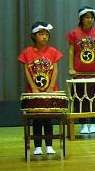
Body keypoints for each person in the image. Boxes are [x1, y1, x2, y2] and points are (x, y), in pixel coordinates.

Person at [18, 22, 63, 155]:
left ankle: (49, 144)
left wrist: (50, 87)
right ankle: (37, 146)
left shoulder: (53, 51)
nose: (44, 37)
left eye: (46, 34)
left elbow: (55, 70)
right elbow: (26, 70)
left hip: (49, 91)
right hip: (34, 91)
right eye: (41, 34)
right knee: (36, 118)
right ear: (34, 36)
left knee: (48, 117)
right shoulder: (27, 52)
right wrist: (33, 88)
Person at [65, 6, 95, 135]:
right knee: (80, 99)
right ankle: (83, 124)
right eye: (87, 17)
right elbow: (71, 51)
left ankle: (94, 123)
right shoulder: (74, 34)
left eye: (91, 17)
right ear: (81, 19)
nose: (90, 20)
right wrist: (71, 68)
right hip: (79, 73)